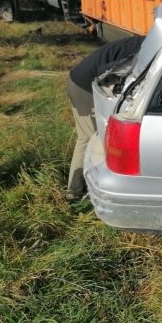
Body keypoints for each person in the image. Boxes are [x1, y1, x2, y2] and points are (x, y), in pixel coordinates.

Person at [66, 35, 144, 200]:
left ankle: (94, 185)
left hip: (88, 80)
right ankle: (74, 193)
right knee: (88, 138)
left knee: (100, 137)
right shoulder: (144, 52)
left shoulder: (152, 44)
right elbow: (106, 73)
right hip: (84, 86)